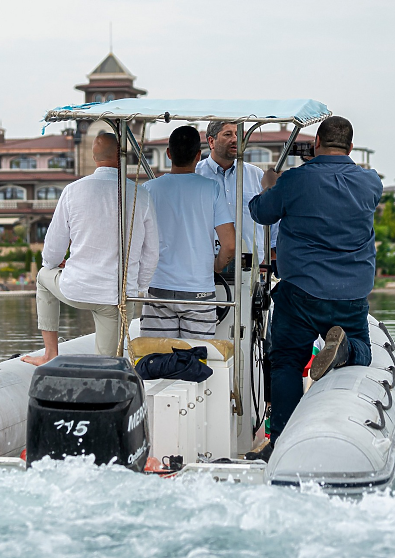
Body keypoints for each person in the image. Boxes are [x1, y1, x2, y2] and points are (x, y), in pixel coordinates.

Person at [246, 116, 382, 462]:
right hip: (351, 290)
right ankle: (347, 350)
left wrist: (270, 185)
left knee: (287, 361)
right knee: (363, 349)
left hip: (301, 291)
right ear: (351, 147)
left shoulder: (294, 180)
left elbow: (261, 213)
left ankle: (281, 442)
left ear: (316, 142)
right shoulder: (370, 182)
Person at [22, 133, 159, 366]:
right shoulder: (141, 195)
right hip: (117, 297)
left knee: (44, 277)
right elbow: (151, 252)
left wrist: (57, 265)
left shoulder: (73, 190)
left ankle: (50, 353)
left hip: (77, 288)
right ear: (121, 156)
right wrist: (137, 288)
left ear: (93, 156)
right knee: (108, 365)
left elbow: (52, 249)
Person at [140, 126, 236, 339]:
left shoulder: (148, 189)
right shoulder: (212, 189)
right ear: (197, 156)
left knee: (157, 361)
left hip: (159, 290)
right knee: (196, 364)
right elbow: (229, 245)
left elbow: (137, 243)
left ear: (168, 154)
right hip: (199, 292)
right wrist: (216, 266)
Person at [196, 122, 275, 271]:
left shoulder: (257, 176)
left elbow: (273, 221)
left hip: (251, 267)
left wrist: (269, 257)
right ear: (211, 141)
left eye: (238, 135)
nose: (235, 139)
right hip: (204, 267)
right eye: (228, 134)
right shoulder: (195, 175)